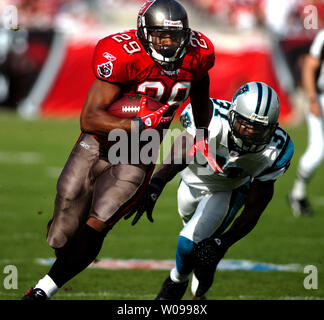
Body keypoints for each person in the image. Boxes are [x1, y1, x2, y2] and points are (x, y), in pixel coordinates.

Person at [22, 0, 215, 300]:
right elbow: (89, 118)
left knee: (100, 221)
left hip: (141, 151)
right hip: (98, 143)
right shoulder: (124, 55)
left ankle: (41, 291)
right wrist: (138, 123)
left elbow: (201, 85)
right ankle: (67, 259)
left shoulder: (196, 54)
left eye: (174, 37)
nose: (168, 43)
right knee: (62, 234)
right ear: (143, 33)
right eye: (161, 36)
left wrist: (201, 133)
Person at [126, 82, 294, 300]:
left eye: (260, 129)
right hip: (189, 183)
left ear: (273, 128)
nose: (251, 134)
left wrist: (224, 243)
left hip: (226, 190)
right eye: (246, 125)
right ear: (233, 115)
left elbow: (255, 208)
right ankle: (201, 282)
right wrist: (156, 184)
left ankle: (174, 284)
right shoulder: (211, 118)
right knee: (199, 250)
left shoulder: (276, 150)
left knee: (189, 242)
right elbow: (180, 152)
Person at [288, 29, 324, 217]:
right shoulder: (323, 36)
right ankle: (298, 192)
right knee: (318, 150)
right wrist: (312, 99)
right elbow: (309, 66)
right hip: (321, 98)